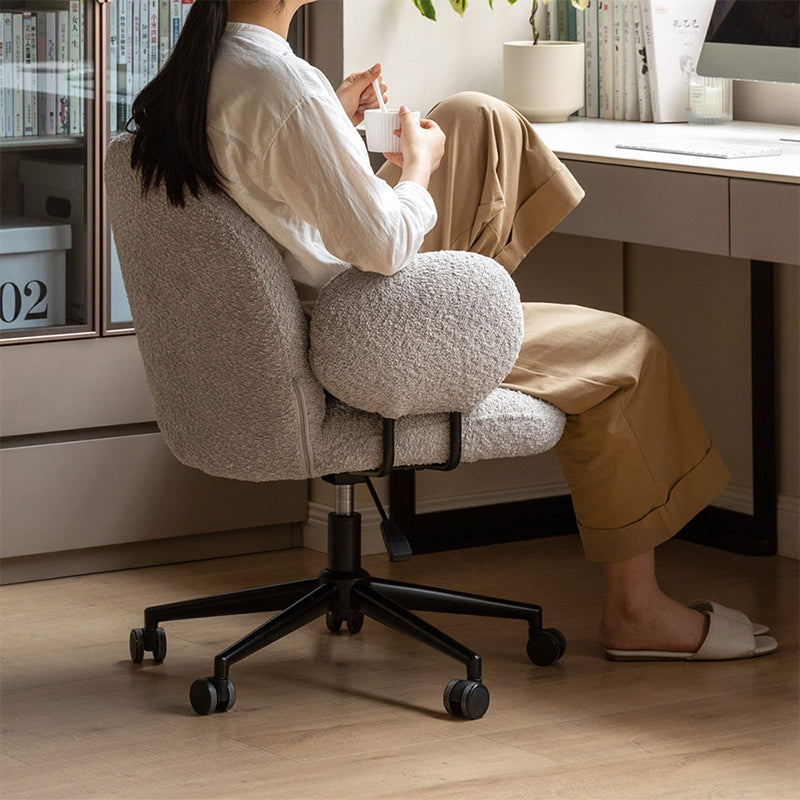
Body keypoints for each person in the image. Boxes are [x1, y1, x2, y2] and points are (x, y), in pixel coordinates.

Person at [127, 0, 776, 661]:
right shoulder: (283, 86)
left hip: (324, 313)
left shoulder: (212, 68)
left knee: (474, 118)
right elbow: (382, 247)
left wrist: (334, 125)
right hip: (355, 337)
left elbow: (276, 196)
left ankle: (472, 319)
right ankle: (635, 612)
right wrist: (417, 167)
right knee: (626, 353)